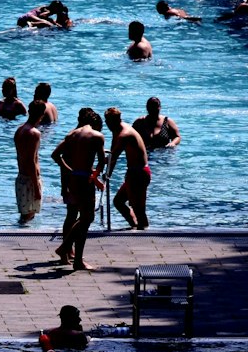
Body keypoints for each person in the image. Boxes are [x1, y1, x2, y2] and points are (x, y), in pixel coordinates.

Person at [51, 108, 105, 269]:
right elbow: (101, 162)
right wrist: (95, 177)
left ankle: (77, 260)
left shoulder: (71, 135)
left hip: (74, 178)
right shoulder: (97, 136)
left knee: (79, 217)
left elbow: (56, 156)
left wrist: (69, 170)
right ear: (95, 123)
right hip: (85, 179)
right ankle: (65, 247)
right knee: (87, 218)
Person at [104, 107, 149, 229]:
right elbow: (112, 154)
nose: (107, 125)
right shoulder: (117, 130)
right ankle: (135, 226)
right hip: (134, 172)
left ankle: (143, 232)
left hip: (138, 173)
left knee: (138, 208)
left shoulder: (125, 134)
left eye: (108, 121)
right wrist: (108, 174)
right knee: (118, 201)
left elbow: (113, 156)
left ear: (115, 120)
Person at [12, 114, 44, 225]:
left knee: (25, 215)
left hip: (21, 177)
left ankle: (18, 233)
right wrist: (36, 187)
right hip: (30, 179)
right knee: (29, 215)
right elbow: (32, 161)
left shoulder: (19, 130)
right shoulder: (34, 133)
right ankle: (20, 237)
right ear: (42, 115)